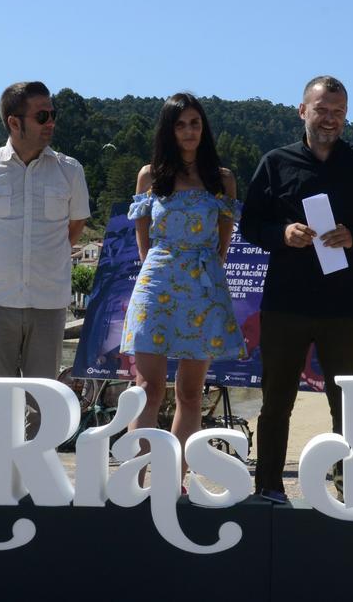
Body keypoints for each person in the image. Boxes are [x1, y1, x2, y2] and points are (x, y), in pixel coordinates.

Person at [240, 75, 353, 502]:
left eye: (338, 112)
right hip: (285, 304)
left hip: (344, 306)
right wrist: (282, 233)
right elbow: (250, 225)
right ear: (302, 111)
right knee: (276, 404)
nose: (330, 119)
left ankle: (346, 488)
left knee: (346, 405)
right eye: (321, 110)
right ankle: (269, 486)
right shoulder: (275, 162)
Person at [120, 93, 246, 479]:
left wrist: (198, 272)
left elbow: (223, 245)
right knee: (147, 388)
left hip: (203, 288)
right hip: (156, 281)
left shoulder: (221, 180)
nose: (189, 131)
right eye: (180, 124)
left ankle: (174, 481)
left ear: (203, 127)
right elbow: (144, 246)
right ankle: (136, 480)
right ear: (168, 130)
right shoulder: (150, 175)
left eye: (195, 123)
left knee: (190, 393)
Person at [0, 81, 91, 435]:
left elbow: (73, 230)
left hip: (48, 303)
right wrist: (0, 264)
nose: (51, 122)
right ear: (14, 123)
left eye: (52, 114)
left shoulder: (70, 171)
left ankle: (30, 489)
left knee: (40, 405)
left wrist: (45, 262)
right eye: (42, 115)